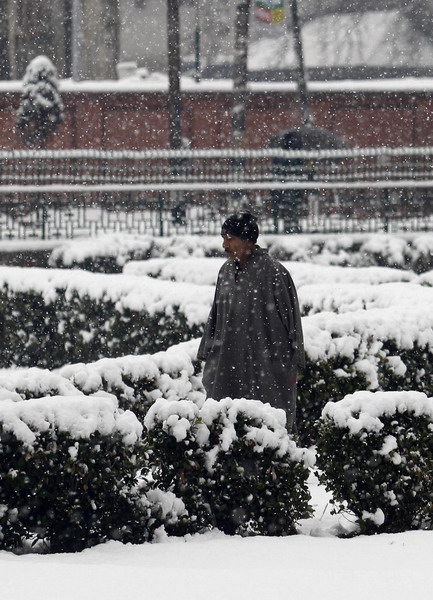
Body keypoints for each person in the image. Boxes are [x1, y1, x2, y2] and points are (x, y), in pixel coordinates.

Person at [197, 212, 305, 431]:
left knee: (267, 427)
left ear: (247, 240)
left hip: (266, 365)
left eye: (230, 238)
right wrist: (207, 352)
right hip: (227, 361)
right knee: (224, 424)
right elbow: (216, 315)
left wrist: (294, 365)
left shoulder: (274, 273)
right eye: (223, 237)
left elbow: (292, 321)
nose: (224, 244)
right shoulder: (225, 272)